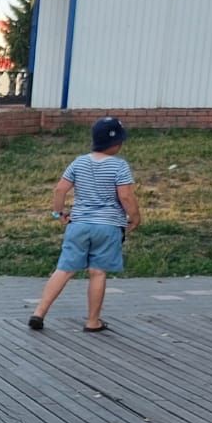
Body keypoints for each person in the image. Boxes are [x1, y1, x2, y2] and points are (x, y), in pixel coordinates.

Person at [29, 116, 141, 333]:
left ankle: (39, 312)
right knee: (97, 272)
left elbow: (60, 189)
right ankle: (92, 321)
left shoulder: (79, 162)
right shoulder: (120, 166)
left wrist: (59, 213)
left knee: (64, 269)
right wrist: (135, 218)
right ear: (116, 143)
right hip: (108, 227)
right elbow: (126, 197)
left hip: (78, 224)